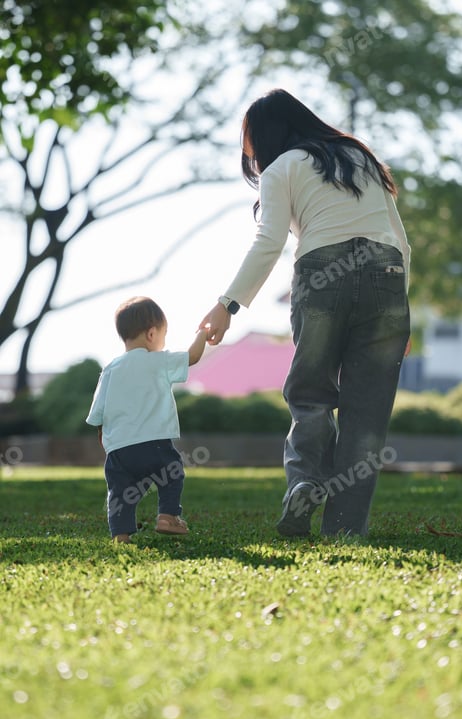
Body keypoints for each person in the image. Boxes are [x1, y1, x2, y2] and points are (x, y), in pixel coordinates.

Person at [200, 88, 411, 539]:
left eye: (248, 140)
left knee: (311, 394)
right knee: (367, 414)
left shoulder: (282, 168)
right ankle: (345, 527)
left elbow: (269, 243)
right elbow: (403, 241)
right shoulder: (360, 157)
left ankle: (304, 484)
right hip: (387, 274)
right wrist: (400, 309)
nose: (248, 153)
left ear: (266, 133)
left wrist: (227, 305)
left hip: (323, 274)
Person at [87, 296, 207, 544]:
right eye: (165, 335)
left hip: (119, 449)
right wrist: (202, 334)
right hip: (154, 443)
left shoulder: (110, 368)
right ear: (152, 334)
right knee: (172, 474)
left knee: (120, 493)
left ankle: (121, 535)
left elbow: (98, 413)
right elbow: (192, 356)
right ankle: (168, 516)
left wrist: (106, 439)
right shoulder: (158, 360)